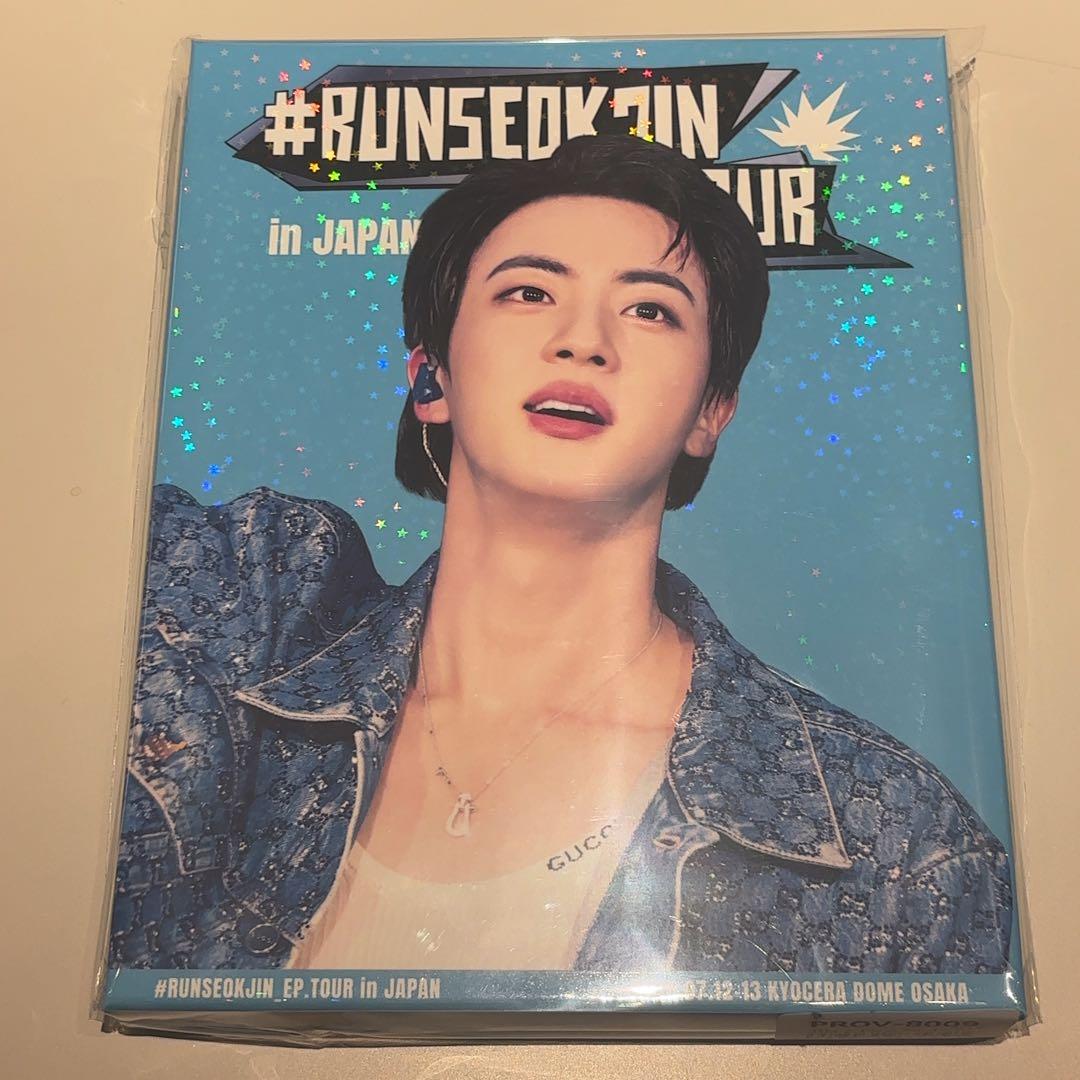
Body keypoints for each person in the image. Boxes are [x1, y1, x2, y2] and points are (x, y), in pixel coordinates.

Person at [108, 135, 1012, 975]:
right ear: (431, 378)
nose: (584, 341)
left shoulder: (899, 843)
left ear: (711, 412)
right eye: (529, 292)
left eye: (651, 310)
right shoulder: (252, 610)